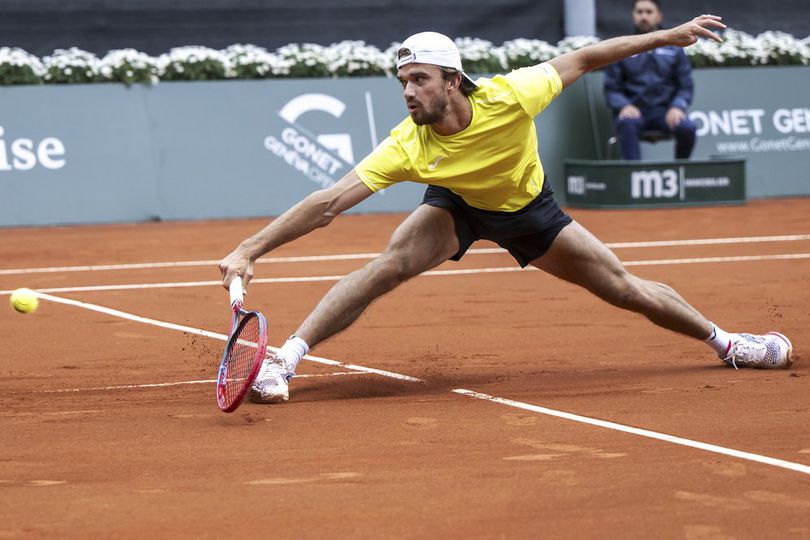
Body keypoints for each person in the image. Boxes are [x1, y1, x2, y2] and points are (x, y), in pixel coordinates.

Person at [219, 15, 794, 404]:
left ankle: (728, 343)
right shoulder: (408, 144)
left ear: (452, 80)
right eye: (402, 82)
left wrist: (666, 35)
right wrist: (250, 248)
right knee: (388, 266)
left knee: (621, 287)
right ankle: (283, 360)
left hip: (527, 211)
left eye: (418, 80)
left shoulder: (512, 95)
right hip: (457, 205)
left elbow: (587, 56)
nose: (408, 92)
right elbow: (327, 204)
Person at [604, 0, 699, 160]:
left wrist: (677, 107)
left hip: (664, 113)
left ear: (659, 16)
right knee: (626, 123)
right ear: (633, 15)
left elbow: (685, 86)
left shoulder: (674, 47)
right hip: (634, 112)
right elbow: (612, 88)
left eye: (649, 12)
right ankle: (634, 177)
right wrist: (624, 105)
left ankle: (680, 172)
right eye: (639, 12)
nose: (644, 16)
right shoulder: (622, 47)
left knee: (687, 127)